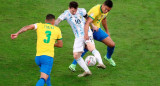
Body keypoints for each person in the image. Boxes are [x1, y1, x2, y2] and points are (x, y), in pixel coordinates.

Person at [55, 1, 105, 77]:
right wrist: (52, 26)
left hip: (87, 32)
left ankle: (101, 63)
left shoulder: (82, 11)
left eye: (75, 10)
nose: (74, 12)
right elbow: (57, 21)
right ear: (69, 8)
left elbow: (88, 18)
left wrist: (93, 25)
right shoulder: (65, 14)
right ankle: (87, 71)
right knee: (76, 55)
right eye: (72, 11)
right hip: (78, 36)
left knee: (90, 47)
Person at [11, 14, 63, 86]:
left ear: (45, 21)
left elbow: (27, 27)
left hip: (38, 57)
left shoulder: (39, 25)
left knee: (46, 74)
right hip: (47, 57)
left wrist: (17, 33)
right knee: (43, 78)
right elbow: (60, 45)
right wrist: (52, 43)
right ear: (53, 21)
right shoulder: (57, 30)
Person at [69, 0, 116, 71]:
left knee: (112, 44)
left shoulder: (105, 11)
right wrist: (85, 35)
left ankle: (108, 57)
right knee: (86, 48)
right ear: (103, 5)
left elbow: (104, 19)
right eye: (106, 9)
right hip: (87, 29)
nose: (106, 11)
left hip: (96, 30)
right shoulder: (95, 11)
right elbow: (87, 22)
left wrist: (107, 31)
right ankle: (73, 64)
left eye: (108, 10)